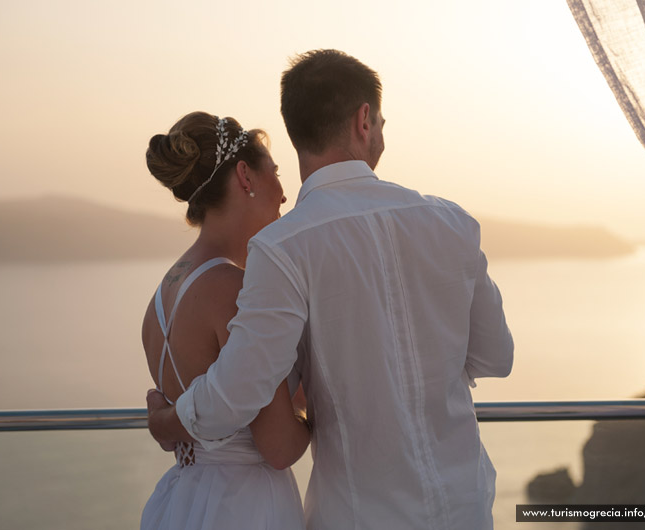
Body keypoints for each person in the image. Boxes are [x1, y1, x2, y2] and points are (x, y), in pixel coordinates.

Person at [147, 50, 514, 529]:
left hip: (358, 516)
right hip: (463, 505)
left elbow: (238, 392)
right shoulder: (451, 222)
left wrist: (169, 422)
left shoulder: (281, 249)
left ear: (296, 130)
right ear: (364, 120)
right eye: (381, 120)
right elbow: (496, 358)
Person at [139, 111, 310, 530]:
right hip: (243, 507)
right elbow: (279, 447)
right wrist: (331, 411)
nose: (285, 195)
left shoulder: (161, 297)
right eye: (275, 172)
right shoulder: (234, 290)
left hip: (183, 498)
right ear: (245, 176)